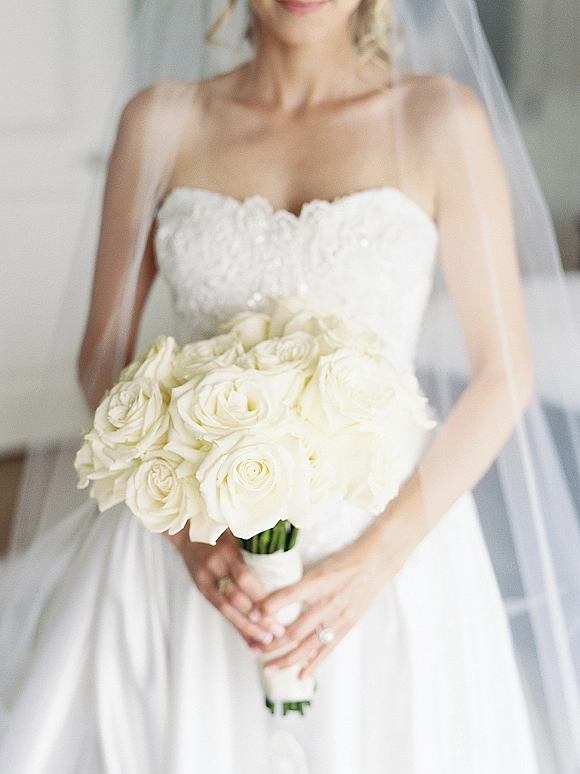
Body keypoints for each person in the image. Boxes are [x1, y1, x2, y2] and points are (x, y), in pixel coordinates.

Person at [1, 0, 579, 771]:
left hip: (387, 554)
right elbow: (101, 354)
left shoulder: (441, 118)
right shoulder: (161, 120)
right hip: (201, 552)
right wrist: (185, 535)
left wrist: (376, 558)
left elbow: (504, 374)